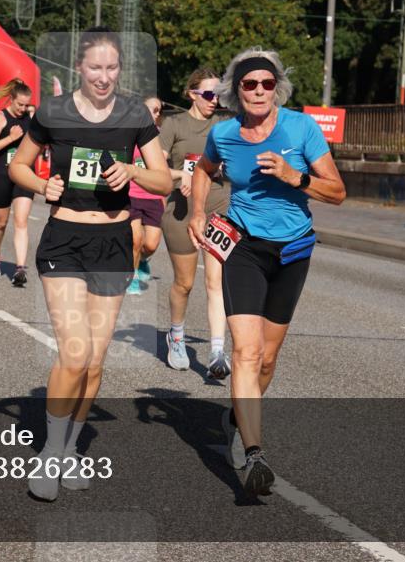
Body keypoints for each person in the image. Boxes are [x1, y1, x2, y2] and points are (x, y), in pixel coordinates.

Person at [8, 27, 171, 501]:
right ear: (79, 68)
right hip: (65, 238)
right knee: (74, 352)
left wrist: (135, 170)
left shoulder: (134, 113)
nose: (104, 77)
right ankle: (50, 452)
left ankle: (71, 447)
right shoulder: (53, 111)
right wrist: (42, 188)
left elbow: (163, 181)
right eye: (95, 68)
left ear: (121, 71)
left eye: (112, 68)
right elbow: (19, 165)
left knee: (95, 362)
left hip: (115, 240)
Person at [187, 48, 345, 497]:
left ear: (278, 88)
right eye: (249, 84)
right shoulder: (225, 134)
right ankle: (255, 452)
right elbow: (203, 170)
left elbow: (337, 192)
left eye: (267, 83)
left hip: (293, 251)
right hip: (244, 248)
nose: (258, 91)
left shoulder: (302, 128)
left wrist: (297, 178)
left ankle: (238, 416)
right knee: (247, 354)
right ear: (236, 90)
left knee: (269, 359)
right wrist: (198, 211)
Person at [158, 69, 230, 377]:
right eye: (210, 95)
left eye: (219, 96)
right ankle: (176, 335)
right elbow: (157, 167)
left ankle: (216, 352)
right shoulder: (174, 124)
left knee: (215, 282)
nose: (215, 101)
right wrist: (181, 176)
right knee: (185, 283)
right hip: (181, 212)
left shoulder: (224, 126)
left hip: (217, 208)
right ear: (192, 94)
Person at [0, 79, 36, 285]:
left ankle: (20, 268)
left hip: (23, 174)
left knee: (21, 221)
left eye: (26, 105)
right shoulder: (0, 118)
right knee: (1, 222)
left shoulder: (30, 118)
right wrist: (10, 138)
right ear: (11, 99)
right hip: (1, 175)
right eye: (19, 104)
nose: (23, 109)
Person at [126, 96, 166, 295]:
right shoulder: (129, 132)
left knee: (150, 244)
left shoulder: (161, 136)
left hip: (152, 196)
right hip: (131, 194)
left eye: (159, 111)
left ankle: (142, 260)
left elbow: (167, 171)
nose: (157, 113)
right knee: (135, 239)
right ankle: (131, 276)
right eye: (153, 109)